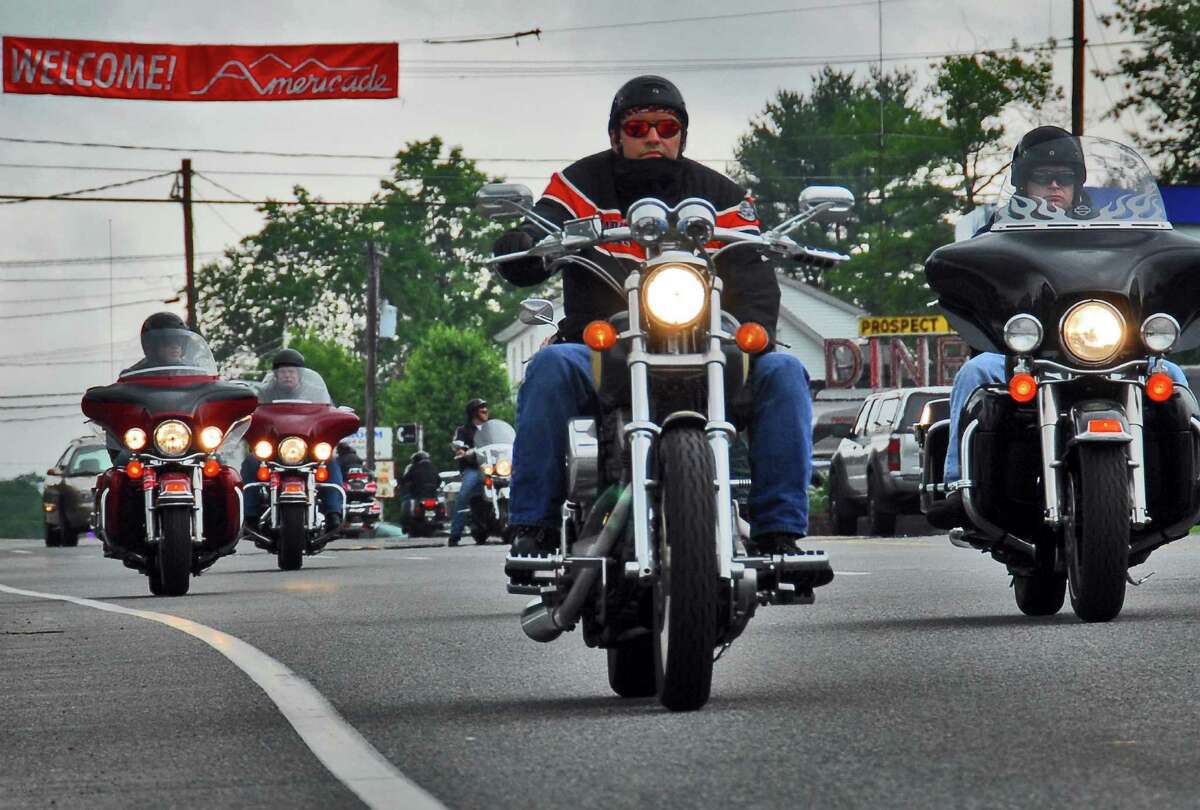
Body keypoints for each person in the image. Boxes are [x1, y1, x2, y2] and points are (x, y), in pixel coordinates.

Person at [492, 75, 826, 574]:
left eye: (666, 127)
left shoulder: (721, 196)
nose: (653, 137)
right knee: (549, 368)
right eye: (639, 126)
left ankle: (780, 531)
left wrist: (751, 333)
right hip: (606, 348)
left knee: (783, 372)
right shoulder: (579, 187)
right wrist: (523, 245)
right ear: (616, 134)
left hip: (709, 344)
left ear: (680, 135)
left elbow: (755, 275)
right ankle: (532, 527)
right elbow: (541, 230)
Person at [939, 126, 1189, 513]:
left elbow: (1148, 258)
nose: (1055, 186)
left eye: (1065, 179)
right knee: (975, 372)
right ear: (1023, 183)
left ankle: (1192, 478)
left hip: (1116, 352)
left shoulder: (1114, 228)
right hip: (1028, 357)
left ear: (1078, 184)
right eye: (1043, 178)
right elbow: (973, 269)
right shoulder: (999, 234)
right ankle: (957, 484)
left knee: (1174, 376)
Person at [241, 349, 344, 532]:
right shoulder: (263, 394)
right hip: (273, 450)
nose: (287, 376)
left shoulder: (316, 392)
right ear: (276, 375)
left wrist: (339, 416)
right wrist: (244, 420)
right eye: (283, 372)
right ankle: (250, 516)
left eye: (291, 372)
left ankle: (333, 513)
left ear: (300, 375)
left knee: (330, 462)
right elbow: (250, 415)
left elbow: (330, 413)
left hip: (307, 450)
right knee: (251, 462)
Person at [447, 398, 489, 547]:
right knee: (464, 494)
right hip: (473, 468)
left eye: (485, 407)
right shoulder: (463, 430)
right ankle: (455, 534)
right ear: (473, 412)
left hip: (493, 468)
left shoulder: (490, 428)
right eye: (481, 408)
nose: (485, 410)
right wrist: (461, 450)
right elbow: (458, 446)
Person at [399, 450, 441, 527]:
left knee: (407, 503)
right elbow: (439, 481)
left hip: (418, 494)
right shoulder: (433, 468)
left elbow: (405, 479)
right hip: (432, 495)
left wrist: (401, 484)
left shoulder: (414, 468)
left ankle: (406, 523)